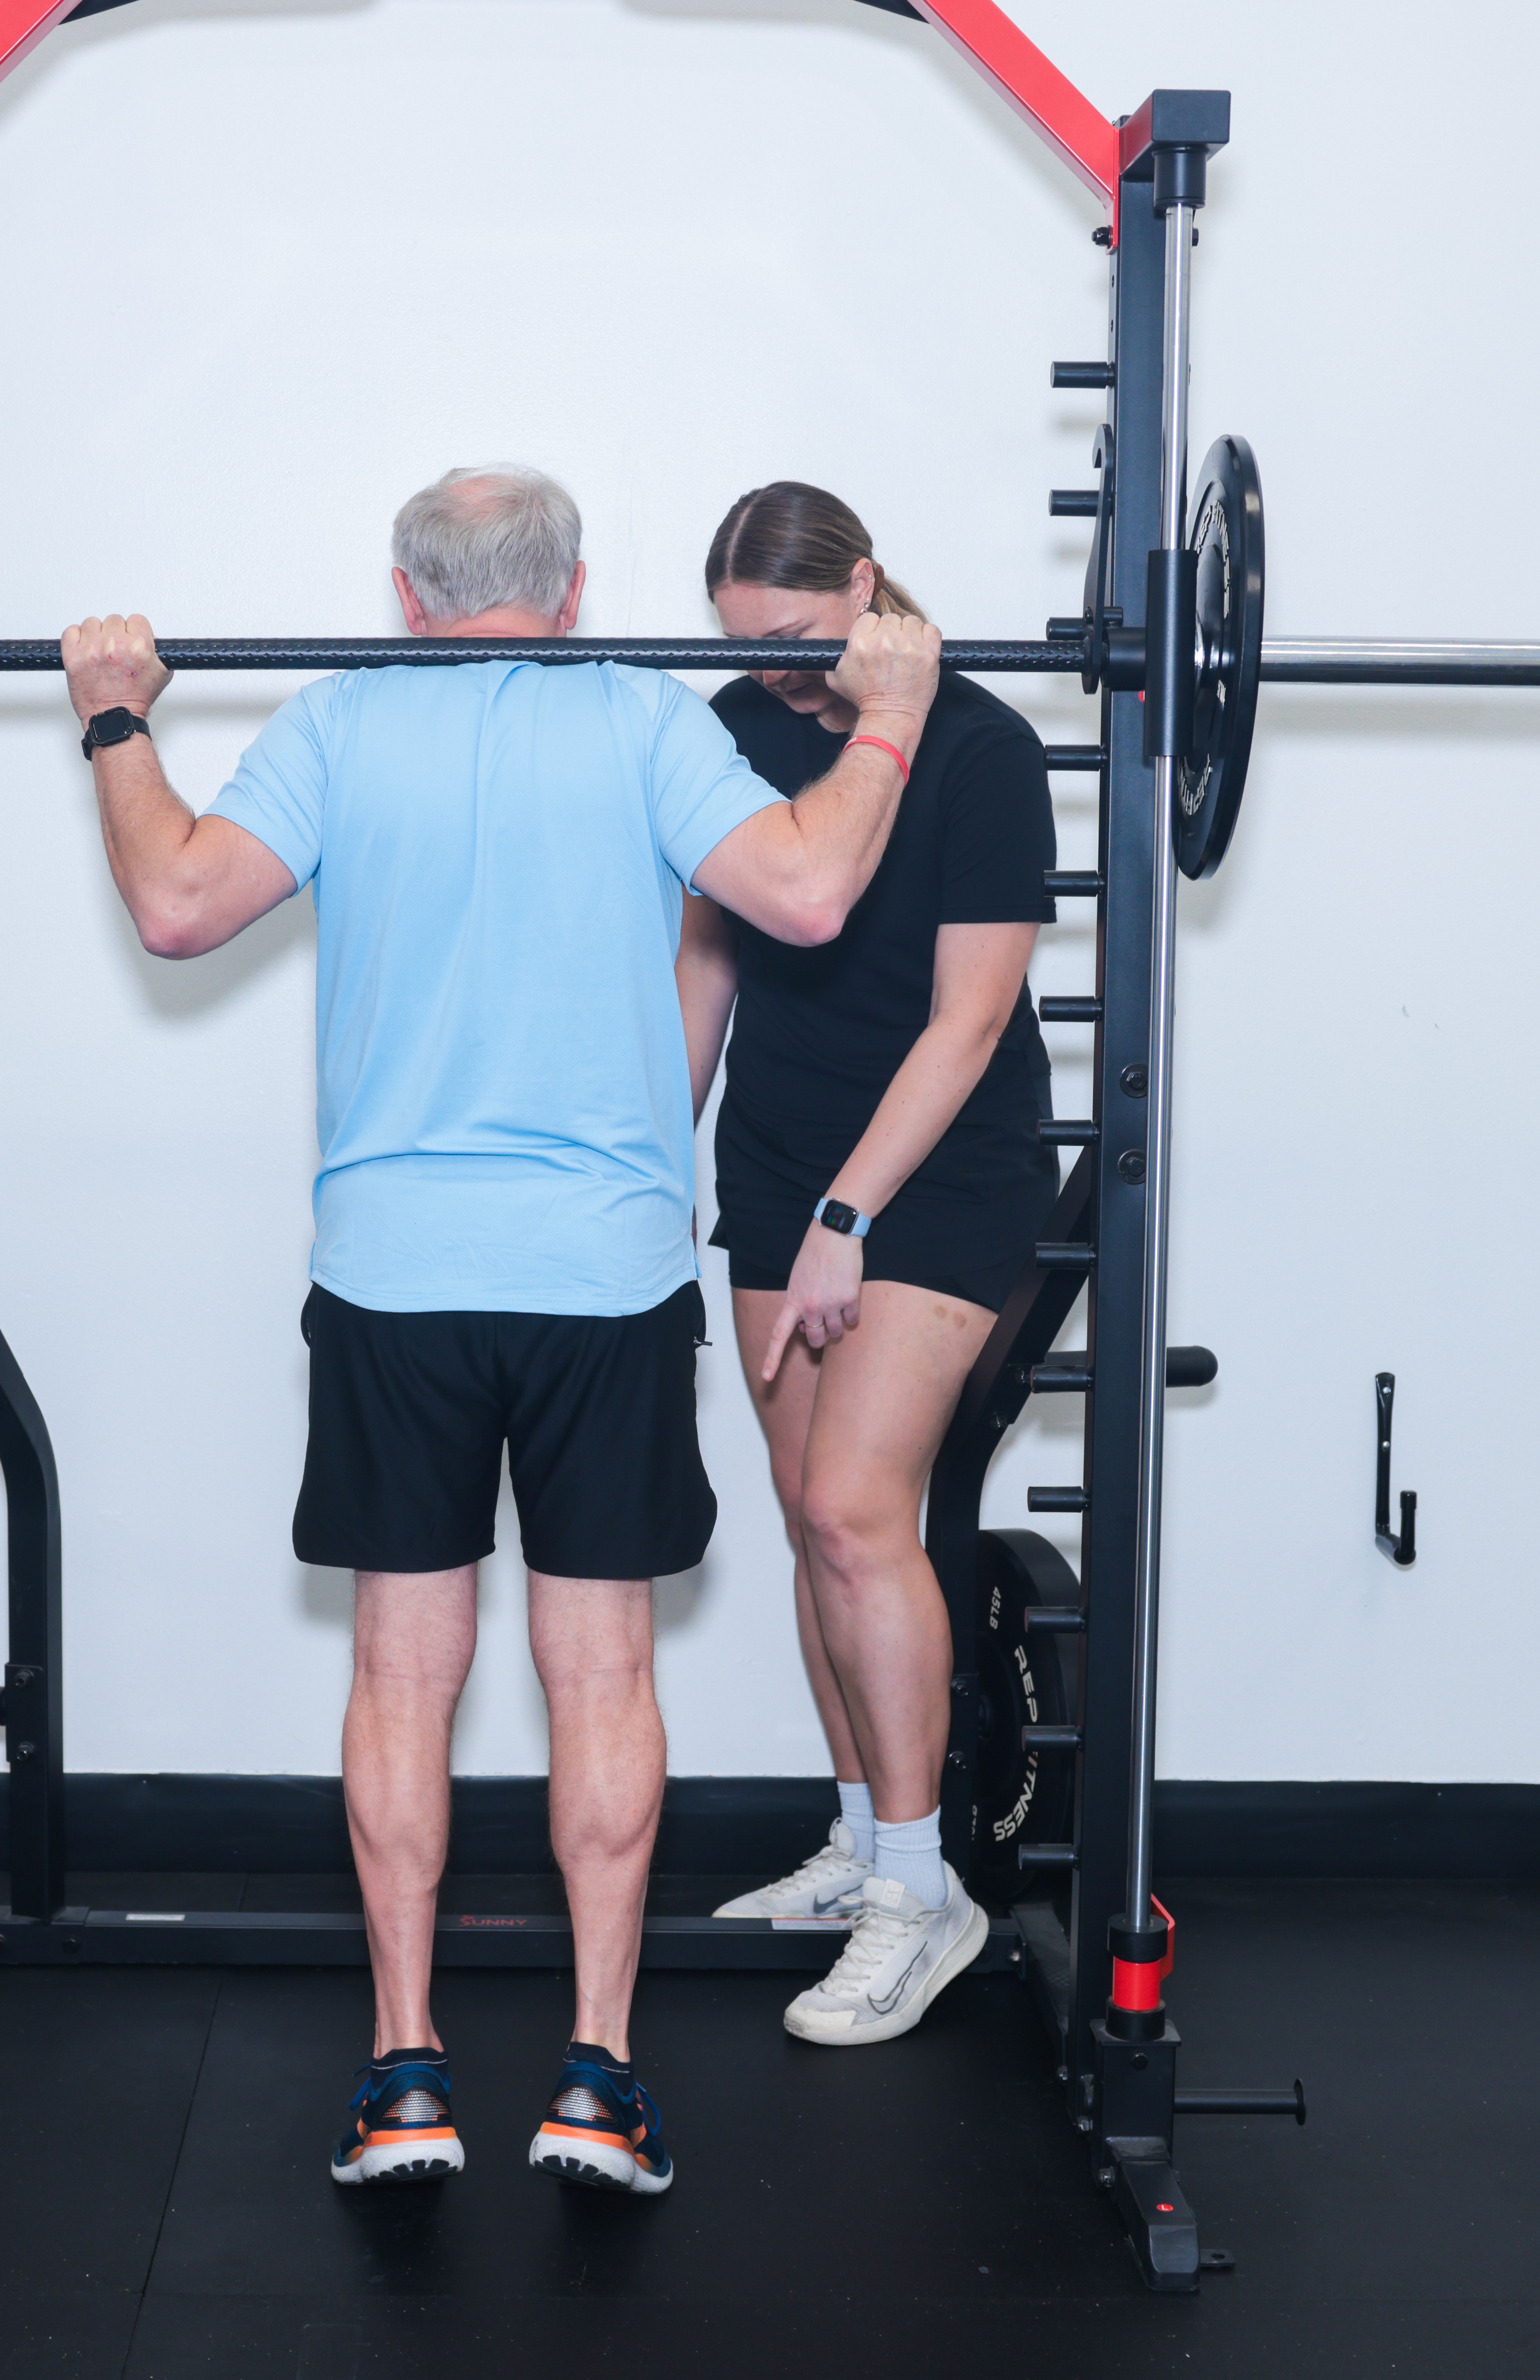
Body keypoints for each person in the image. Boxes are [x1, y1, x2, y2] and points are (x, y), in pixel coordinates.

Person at [59, 463, 944, 2197]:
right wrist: (893, 717)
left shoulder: (334, 728)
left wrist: (113, 721)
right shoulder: (637, 723)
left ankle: (404, 2077)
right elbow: (809, 890)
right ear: (577, 587)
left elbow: (175, 906)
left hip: (395, 1278)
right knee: (600, 1671)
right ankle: (599, 2081)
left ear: (404, 596)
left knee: (402, 1671)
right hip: (601, 1283)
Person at [678, 481, 1058, 2048]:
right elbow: (708, 953)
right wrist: (651, 1162)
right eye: (743, 646)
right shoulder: (734, 724)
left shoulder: (980, 748)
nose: (773, 670)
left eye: (795, 639)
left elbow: (970, 1022)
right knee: (804, 1517)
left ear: (868, 584)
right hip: (774, 1156)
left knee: (855, 1509)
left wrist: (852, 1218)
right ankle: (860, 1842)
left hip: (941, 1169)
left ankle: (926, 1891)